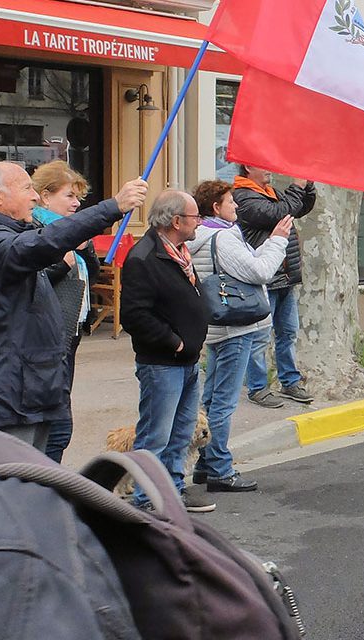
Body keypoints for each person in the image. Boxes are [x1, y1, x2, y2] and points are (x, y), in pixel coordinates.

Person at [0, 162, 146, 449]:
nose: (34, 196)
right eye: (26, 189)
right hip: (10, 398)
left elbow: (52, 235)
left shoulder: (14, 231)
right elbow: (45, 242)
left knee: (45, 472)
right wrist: (113, 206)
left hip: (35, 388)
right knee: (15, 484)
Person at [187, 180, 291, 493]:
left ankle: (206, 465)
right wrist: (277, 241)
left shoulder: (204, 236)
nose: (236, 207)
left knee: (212, 397)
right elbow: (260, 272)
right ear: (216, 208)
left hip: (218, 326)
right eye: (231, 202)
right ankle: (220, 468)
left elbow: (243, 268)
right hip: (236, 327)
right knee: (224, 402)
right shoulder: (222, 237)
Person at [120, 190, 215, 513]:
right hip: (162, 363)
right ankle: (147, 498)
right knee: (155, 435)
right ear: (176, 221)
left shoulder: (179, 252)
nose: (199, 223)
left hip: (187, 362)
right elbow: (134, 315)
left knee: (180, 433)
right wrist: (173, 341)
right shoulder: (144, 257)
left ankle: (174, 490)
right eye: (194, 217)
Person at [30, 160, 101, 463]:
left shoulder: (71, 232)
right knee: (54, 427)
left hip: (68, 337)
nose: (76, 204)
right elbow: (32, 282)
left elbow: (92, 277)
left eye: (78, 197)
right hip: (45, 339)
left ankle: (50, 486)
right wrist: (62, 264)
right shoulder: (35, 230)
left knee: (59, 422)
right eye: (69, 196)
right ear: (45, 197)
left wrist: (85, 250)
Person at [234, 165, 318, 409]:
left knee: (288, 332)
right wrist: (297, 186)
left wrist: (308, 185)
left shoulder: (269, 192)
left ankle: (290, 382)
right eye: (263, 164)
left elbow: (300, 207)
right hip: (264, 279)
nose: (270, 168)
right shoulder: (244, 197)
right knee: (259, 337)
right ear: (248, 167)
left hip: (284, 276)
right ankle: (258, 388)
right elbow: (280, 213)